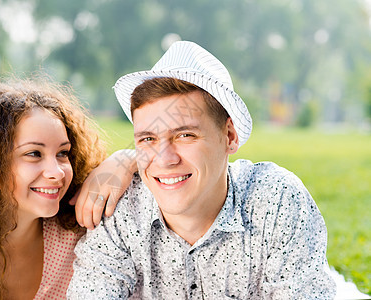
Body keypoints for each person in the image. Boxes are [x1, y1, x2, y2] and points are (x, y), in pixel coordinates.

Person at [68, 41, 336, 299]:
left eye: (185, 135)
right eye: (148, 139)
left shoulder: (275, 202)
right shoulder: (121, 209)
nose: (164, 159)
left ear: (229, 136)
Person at [0, 76, 135, 299]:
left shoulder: (79, 231)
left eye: (62, 153)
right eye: (34, 154)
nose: (57, 172)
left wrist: (126, 160)